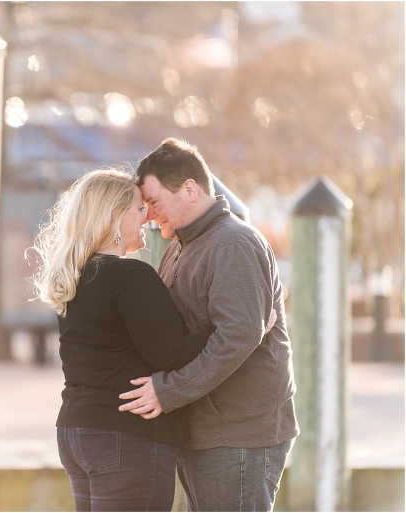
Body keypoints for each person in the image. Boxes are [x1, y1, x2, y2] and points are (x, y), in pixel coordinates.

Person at [33, 168, 238, 511]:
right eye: (139, 208)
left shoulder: (73, 278)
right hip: (125, 436)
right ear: (114, 215)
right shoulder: (130, 275)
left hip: (76, 432)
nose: (149, 216)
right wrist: (238, 328)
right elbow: (172, 353)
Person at [118, 138, 299, 512]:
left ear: (189, 190)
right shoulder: (182, 246)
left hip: (238, 436)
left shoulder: (233, 243)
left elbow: (237, 337)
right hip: (206, 432)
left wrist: (168, 391)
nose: (149, 215)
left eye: (153, 202)